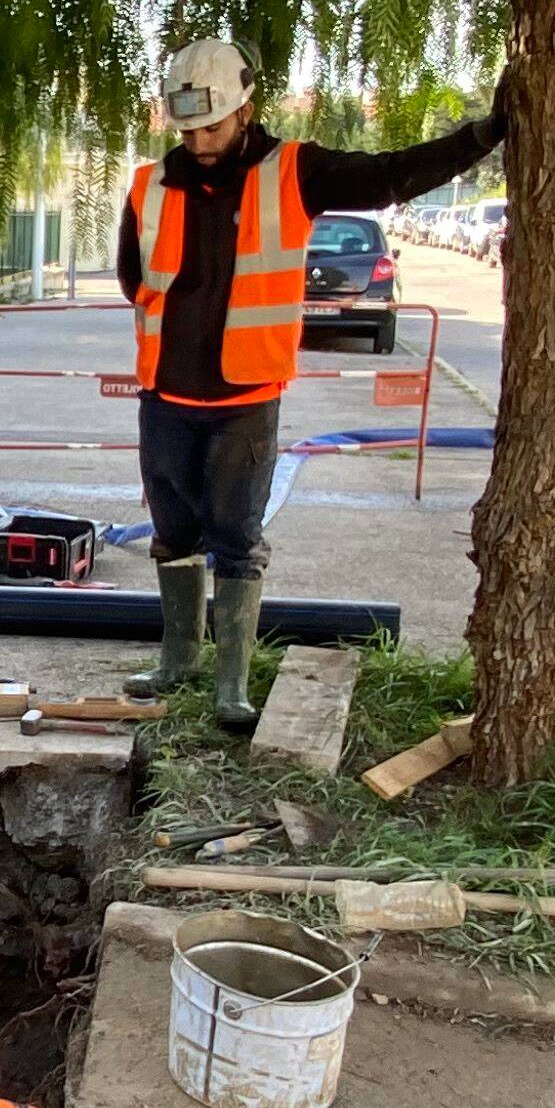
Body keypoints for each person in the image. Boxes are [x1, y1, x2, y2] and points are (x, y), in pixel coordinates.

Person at [117, 39, 501, 730]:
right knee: (173, 534)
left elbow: (391, 176)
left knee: (235, 537)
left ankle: (229, 684)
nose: (200, 140)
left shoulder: (292, 171)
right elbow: (130, 276)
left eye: (212, 126)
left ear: (246, 112)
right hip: (165, 398)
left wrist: (479, 137)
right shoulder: (150, 186)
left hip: (246, 400)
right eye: (188, 129)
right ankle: (180, 661)